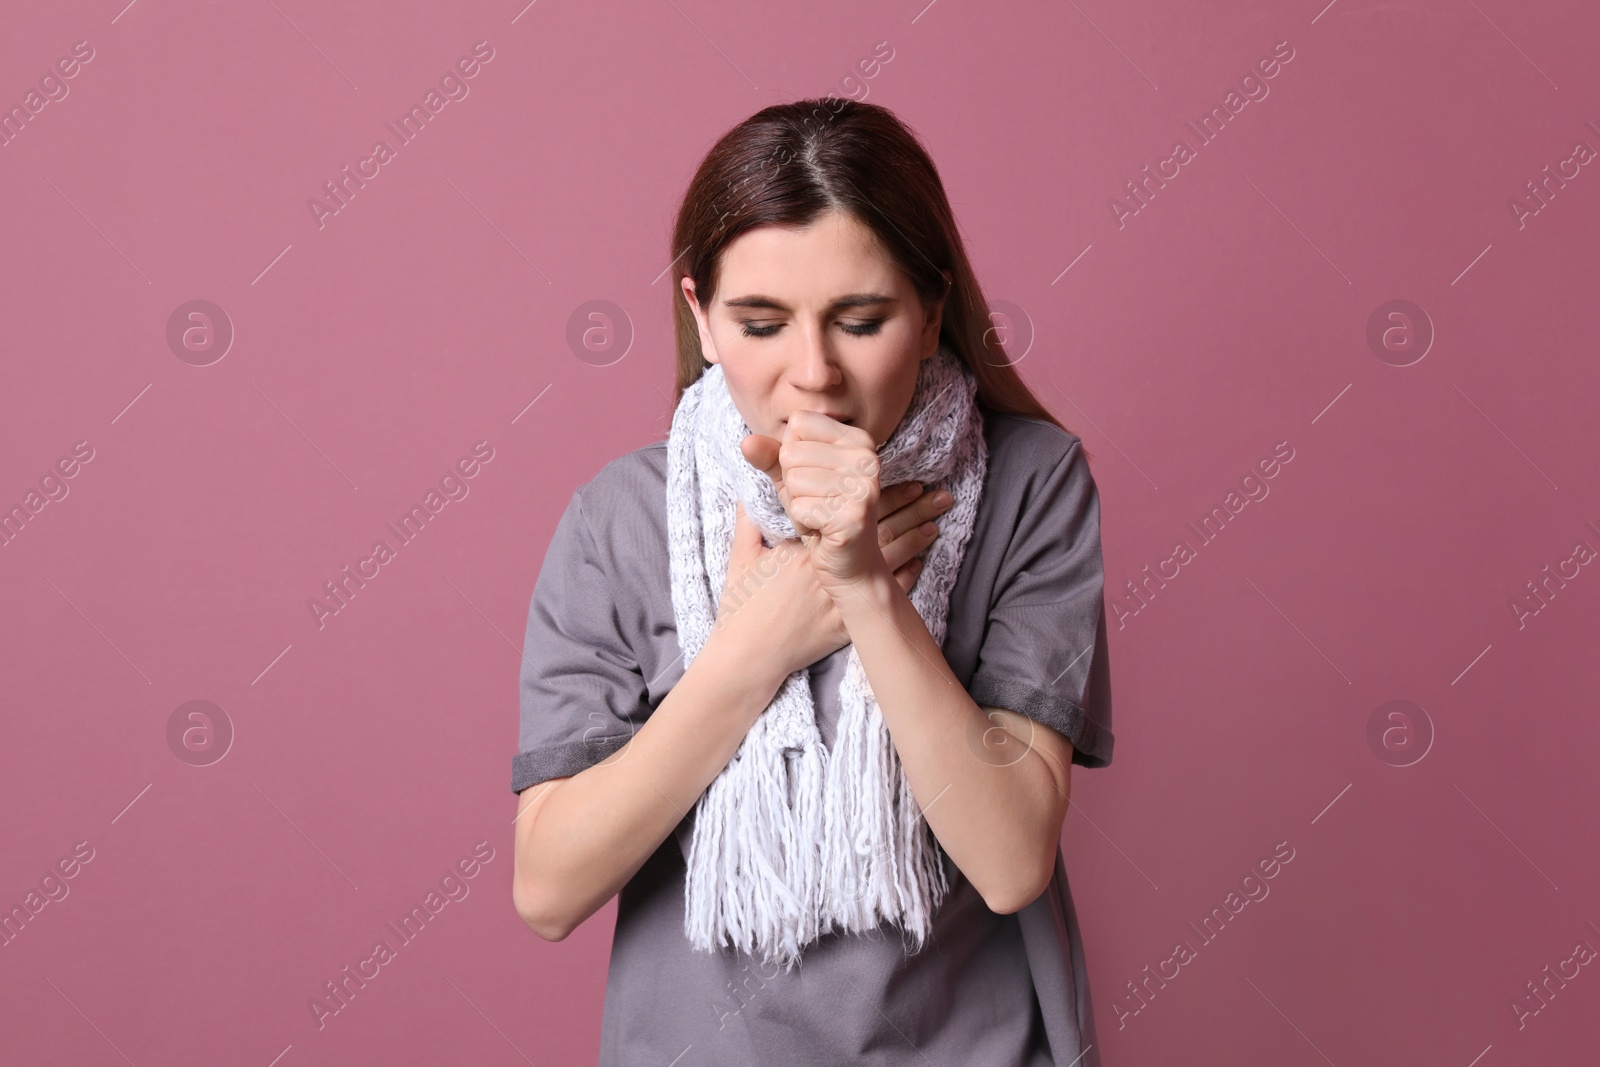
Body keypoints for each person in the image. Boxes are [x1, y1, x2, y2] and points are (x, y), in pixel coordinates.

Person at [510, 97, 1115, 1067]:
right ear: (700, 318)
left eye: (861, 319)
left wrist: (866, 586)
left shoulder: (1031, 481)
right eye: (760, 322)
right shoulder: (619, 519)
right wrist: (755, 645)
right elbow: (547, 886)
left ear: (929, 316)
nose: (813, 373)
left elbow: (1010, 863)